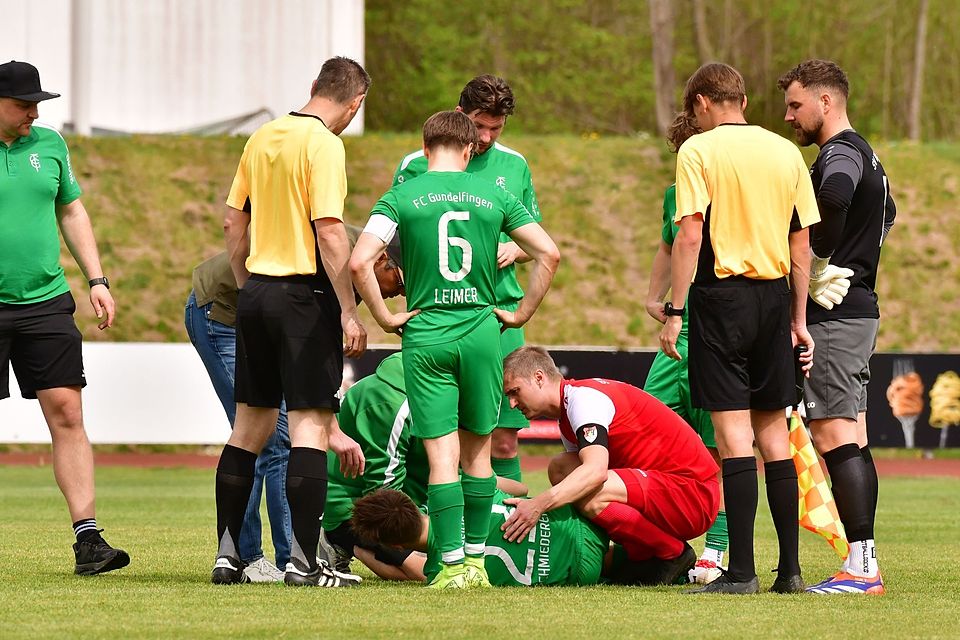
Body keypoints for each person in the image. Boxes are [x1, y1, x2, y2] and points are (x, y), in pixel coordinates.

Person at [351, 110, 560, 588]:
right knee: (478, 458)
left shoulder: (401, 195)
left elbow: (361, 261)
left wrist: (384, 317)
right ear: (469, 150)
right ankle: (477, 564)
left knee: (441, 459)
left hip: (426, 334)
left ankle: (448, 566)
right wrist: (521, 313)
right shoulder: (494, 193)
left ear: (426, 149)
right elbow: (549, 252)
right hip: (481, 333)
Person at [659, 63, 820, 594]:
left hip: (721, 298)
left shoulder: (697, 150)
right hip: (774, 299)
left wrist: (675, 311)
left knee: (734, 439)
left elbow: (689, 235)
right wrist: (798, 319)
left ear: (703, 102)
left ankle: (742, 572)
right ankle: (790, 572)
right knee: (774, 437)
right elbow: (802, 245)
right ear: (744, 101)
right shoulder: (786, 152)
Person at [212, 56, 370, 588]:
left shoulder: (263, 136)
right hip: (304, 297)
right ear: (355, 103)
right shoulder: (325, 144)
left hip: (257, 292)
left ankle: (228, 556)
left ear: (314, 86)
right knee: (309, 427)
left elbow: (233, 220)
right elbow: (329, 230)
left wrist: (246, 282)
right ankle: (304, 564)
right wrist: (348, 309)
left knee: (248, 429)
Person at [0, 60, 129, 576]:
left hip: (46, 302)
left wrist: (97, 279)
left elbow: (71, 210)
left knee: (68, 414)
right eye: (23, 105)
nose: (33, 113)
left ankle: (88, 540)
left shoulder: (50, 144)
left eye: (37, 104)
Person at [779, 59, 895, 596]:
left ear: (826, 102)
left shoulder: (840, 153)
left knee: (832, 434)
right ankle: (861, 560)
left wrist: (820, 260)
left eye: (795, 105)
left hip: (833, 315)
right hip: (858, 309)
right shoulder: (869, 153)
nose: (789, 116)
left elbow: (835, 197)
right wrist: (860, 259)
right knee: (855, 437)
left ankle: (862, 568)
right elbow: (888, 214)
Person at [393, 75, 541, 483]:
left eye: (497, 127)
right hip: (436, 316)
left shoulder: (515, 165)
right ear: (459, 115)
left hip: (498, 314)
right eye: (479, 126)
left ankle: (504, 520)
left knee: (503, 440)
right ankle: (442, 518)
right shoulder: (415, 164)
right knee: (439, 440)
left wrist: (515, 250)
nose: (487, 137)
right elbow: (395, 240)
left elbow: (538, 242)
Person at [499, 346, 720, 587]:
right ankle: (642, 555)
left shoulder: (583, 400)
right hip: (670, 491)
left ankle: (672, 553)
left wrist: (538, 505)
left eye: (515, 391)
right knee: (562, 468)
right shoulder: (569, 413)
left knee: (591, 490)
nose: (512, 403)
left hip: (693, 494)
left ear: (539, 378)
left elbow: (595, 472)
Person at [643, 112, 728, 584]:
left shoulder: (735, 193)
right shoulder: (675, 194)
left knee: (720, 446)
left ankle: (717, 549)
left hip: (717, 330)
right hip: (677, 335)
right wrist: (652, 297)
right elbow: (669, 244)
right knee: (643, 430)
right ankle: (658, 541)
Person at [351, 487, 611, 586]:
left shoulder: (440, 570)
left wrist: (358, 551)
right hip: (577, 519)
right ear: (413, 505)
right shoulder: (455, 489)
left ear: (396, 545)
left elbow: (406, 571)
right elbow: (520, 487)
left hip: (580, 570)